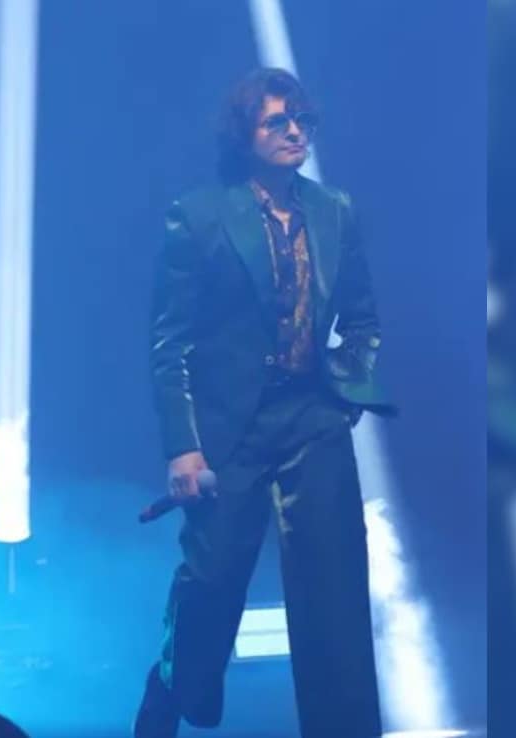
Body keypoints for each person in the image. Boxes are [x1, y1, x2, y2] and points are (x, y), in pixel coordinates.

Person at [134, 67, 395, 738]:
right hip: (229, 428)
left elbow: (363, 320)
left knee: (334, 595)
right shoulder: (199, 215)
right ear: (243, 134)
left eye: (302, 120)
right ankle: (171, 684)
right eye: (277, 121)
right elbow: (169, 344)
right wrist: (183, 446)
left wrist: (345, 390)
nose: (294, 132)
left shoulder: (334, 209)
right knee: (212, 581)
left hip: (313, 420)